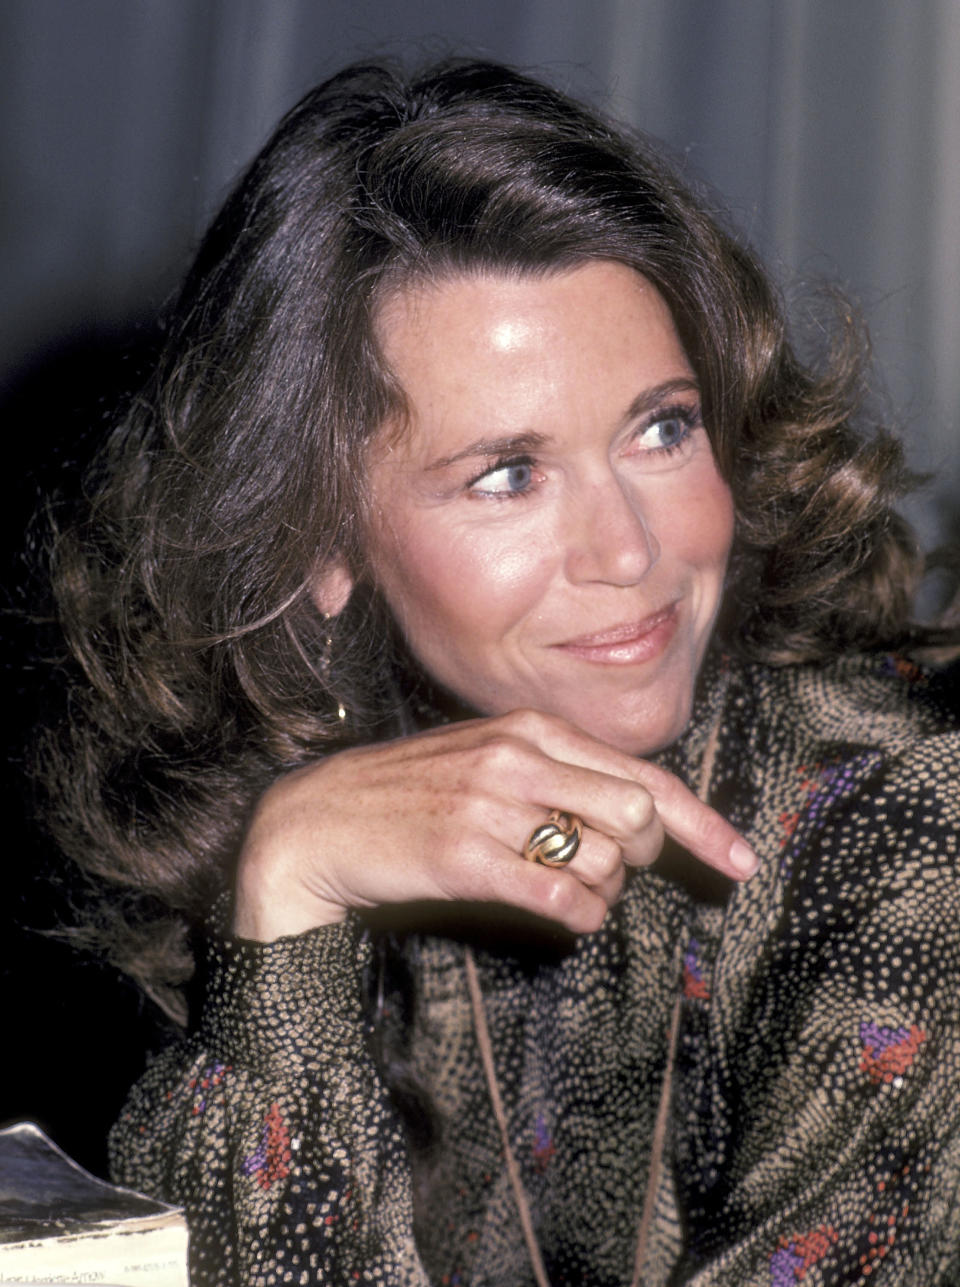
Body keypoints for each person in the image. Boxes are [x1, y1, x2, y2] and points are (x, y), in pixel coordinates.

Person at [35, 57, 960, 1286]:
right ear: (319, 548)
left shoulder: (907, 830)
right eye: (508, 474)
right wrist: (294, 876)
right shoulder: (336, 804)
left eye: (662, 427)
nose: (631, 550)